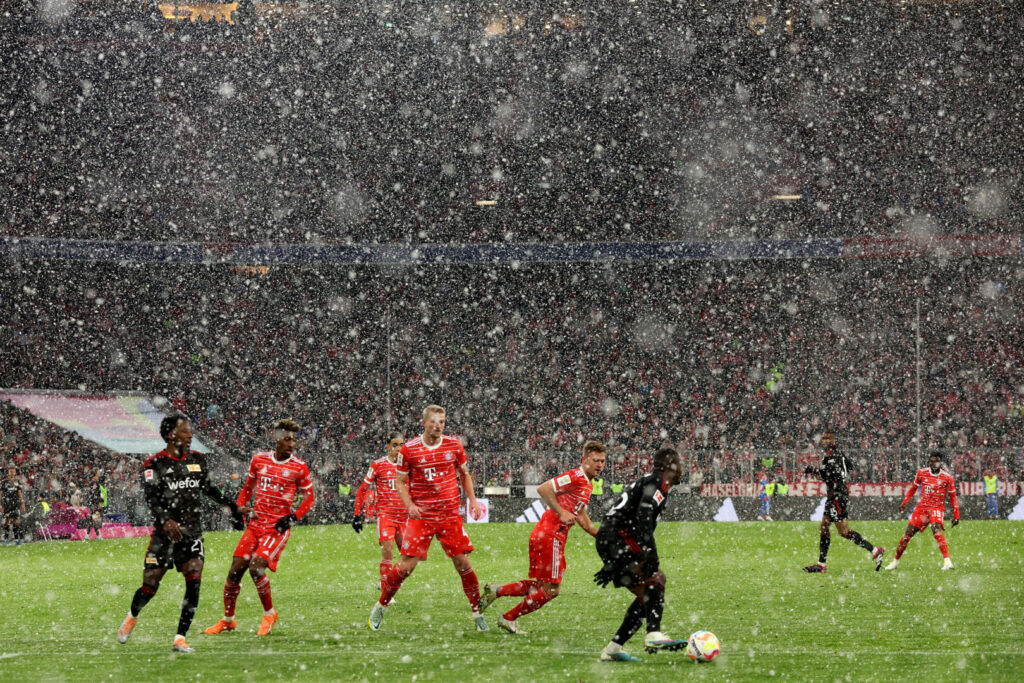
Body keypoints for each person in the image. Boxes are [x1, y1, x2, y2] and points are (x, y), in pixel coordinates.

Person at [116, 415, 249, 654]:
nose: (190, 435)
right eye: (185, 431)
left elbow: (210, 489)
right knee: (149, 587)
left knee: (194, 581)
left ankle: (180, 638)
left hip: (192, 533)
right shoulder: (154, 464)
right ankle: (132, 616)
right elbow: (152, 499)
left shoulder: (197, 460)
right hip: (164, 535)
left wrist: (233, 505)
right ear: (171, 435)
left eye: (190, 431)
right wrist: (166, 520)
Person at [369, 405, 487, 632]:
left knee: (463, 562)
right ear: (424, 423)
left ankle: (477, 613)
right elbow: (400, 482)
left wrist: (473, 501)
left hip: (449, 515)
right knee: (406, 566)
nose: (438, 425)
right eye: (433, 421)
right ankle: (381, 605)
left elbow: (464, 474)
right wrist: (410, 505)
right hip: (422, 516)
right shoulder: (410, 449)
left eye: (441, 421)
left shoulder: (454, 445)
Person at [480, 440, 608, 635]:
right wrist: (561, 512)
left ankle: (497, 591)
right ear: (584, 459)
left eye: (603, 461)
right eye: (595, 460)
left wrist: (599, 536)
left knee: (542, 586)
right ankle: (508, 618)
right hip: (551, 536)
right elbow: (544, 488)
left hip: (547, 535)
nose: (600, 465)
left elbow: (581, 515)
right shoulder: (576, 476)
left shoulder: (587, 485)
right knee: (551, 590)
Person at [205, 419, 315, 637]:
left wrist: (292, 517)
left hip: (276, 528)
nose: (291, 444)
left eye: (294, 440)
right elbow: (248, 488)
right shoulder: (259, 460)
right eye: (287, 439)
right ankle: (228, 620)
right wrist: (239, 510)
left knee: (256, 567)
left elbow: (309, 499)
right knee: (235, 570)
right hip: (255, 525)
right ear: (276, 438)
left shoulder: (299, 467)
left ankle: (269, 614)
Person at [594, 447, 687, 663]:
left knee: (647, 595)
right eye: (679, 465)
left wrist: (614, 562)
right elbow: (644, 513)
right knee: (656, 577)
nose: (682, 469)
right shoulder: (658, 482)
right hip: (619, 535)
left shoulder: (650, 480)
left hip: (613, 537)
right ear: (671, 466)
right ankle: (653, 634)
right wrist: (650, 551)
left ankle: (613, 649)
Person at [802, 430, 885, 573]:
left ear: (833, 441)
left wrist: (814, 470)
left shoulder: (834, 456)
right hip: (833, 495)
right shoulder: (832, 455)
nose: (825, 441)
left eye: (828, 438)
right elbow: (849, 465)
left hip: (837, 496)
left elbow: (831, 475)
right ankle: (821, 564)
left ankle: (874, 550)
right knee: (824, 527)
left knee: (843, 531)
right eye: (823, 438)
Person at [352, 431, 408, 589]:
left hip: (405, 517)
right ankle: (386, 587)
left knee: (409, 558)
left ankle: (388, 579)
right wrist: (357, 514)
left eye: (401, 445)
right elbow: (363, 489)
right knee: (388, 549)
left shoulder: (408, 465)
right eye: (395, 445)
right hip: (386, 515)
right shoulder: (378, 465)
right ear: (387, 447)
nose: (398, 448)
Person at [885, 452, 960, 571]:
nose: (934, 463)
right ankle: (895, 562)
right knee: (907, 535)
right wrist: (904, 502)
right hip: (922, 509)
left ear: (941, 463)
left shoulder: (947, 477)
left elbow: (953, 497)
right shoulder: (922, 473)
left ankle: (947, 562)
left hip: (936, 508)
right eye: (932, 461)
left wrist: (956, 515)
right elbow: (913, 488)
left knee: (936, 530)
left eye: (936, 461)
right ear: (929, 462)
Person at [2, 466, 26, 546]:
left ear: (15, 473)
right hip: (7, 505)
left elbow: (20, 494)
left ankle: (16, 539)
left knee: (16, 522)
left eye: (13, 471)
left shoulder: (17, 482)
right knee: (7, 522)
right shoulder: (4, 482)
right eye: (11, 471)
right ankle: (6, 539)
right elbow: (0, 494)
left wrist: (22, 503)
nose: (12, 473)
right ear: (8, 473)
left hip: (16, 505)